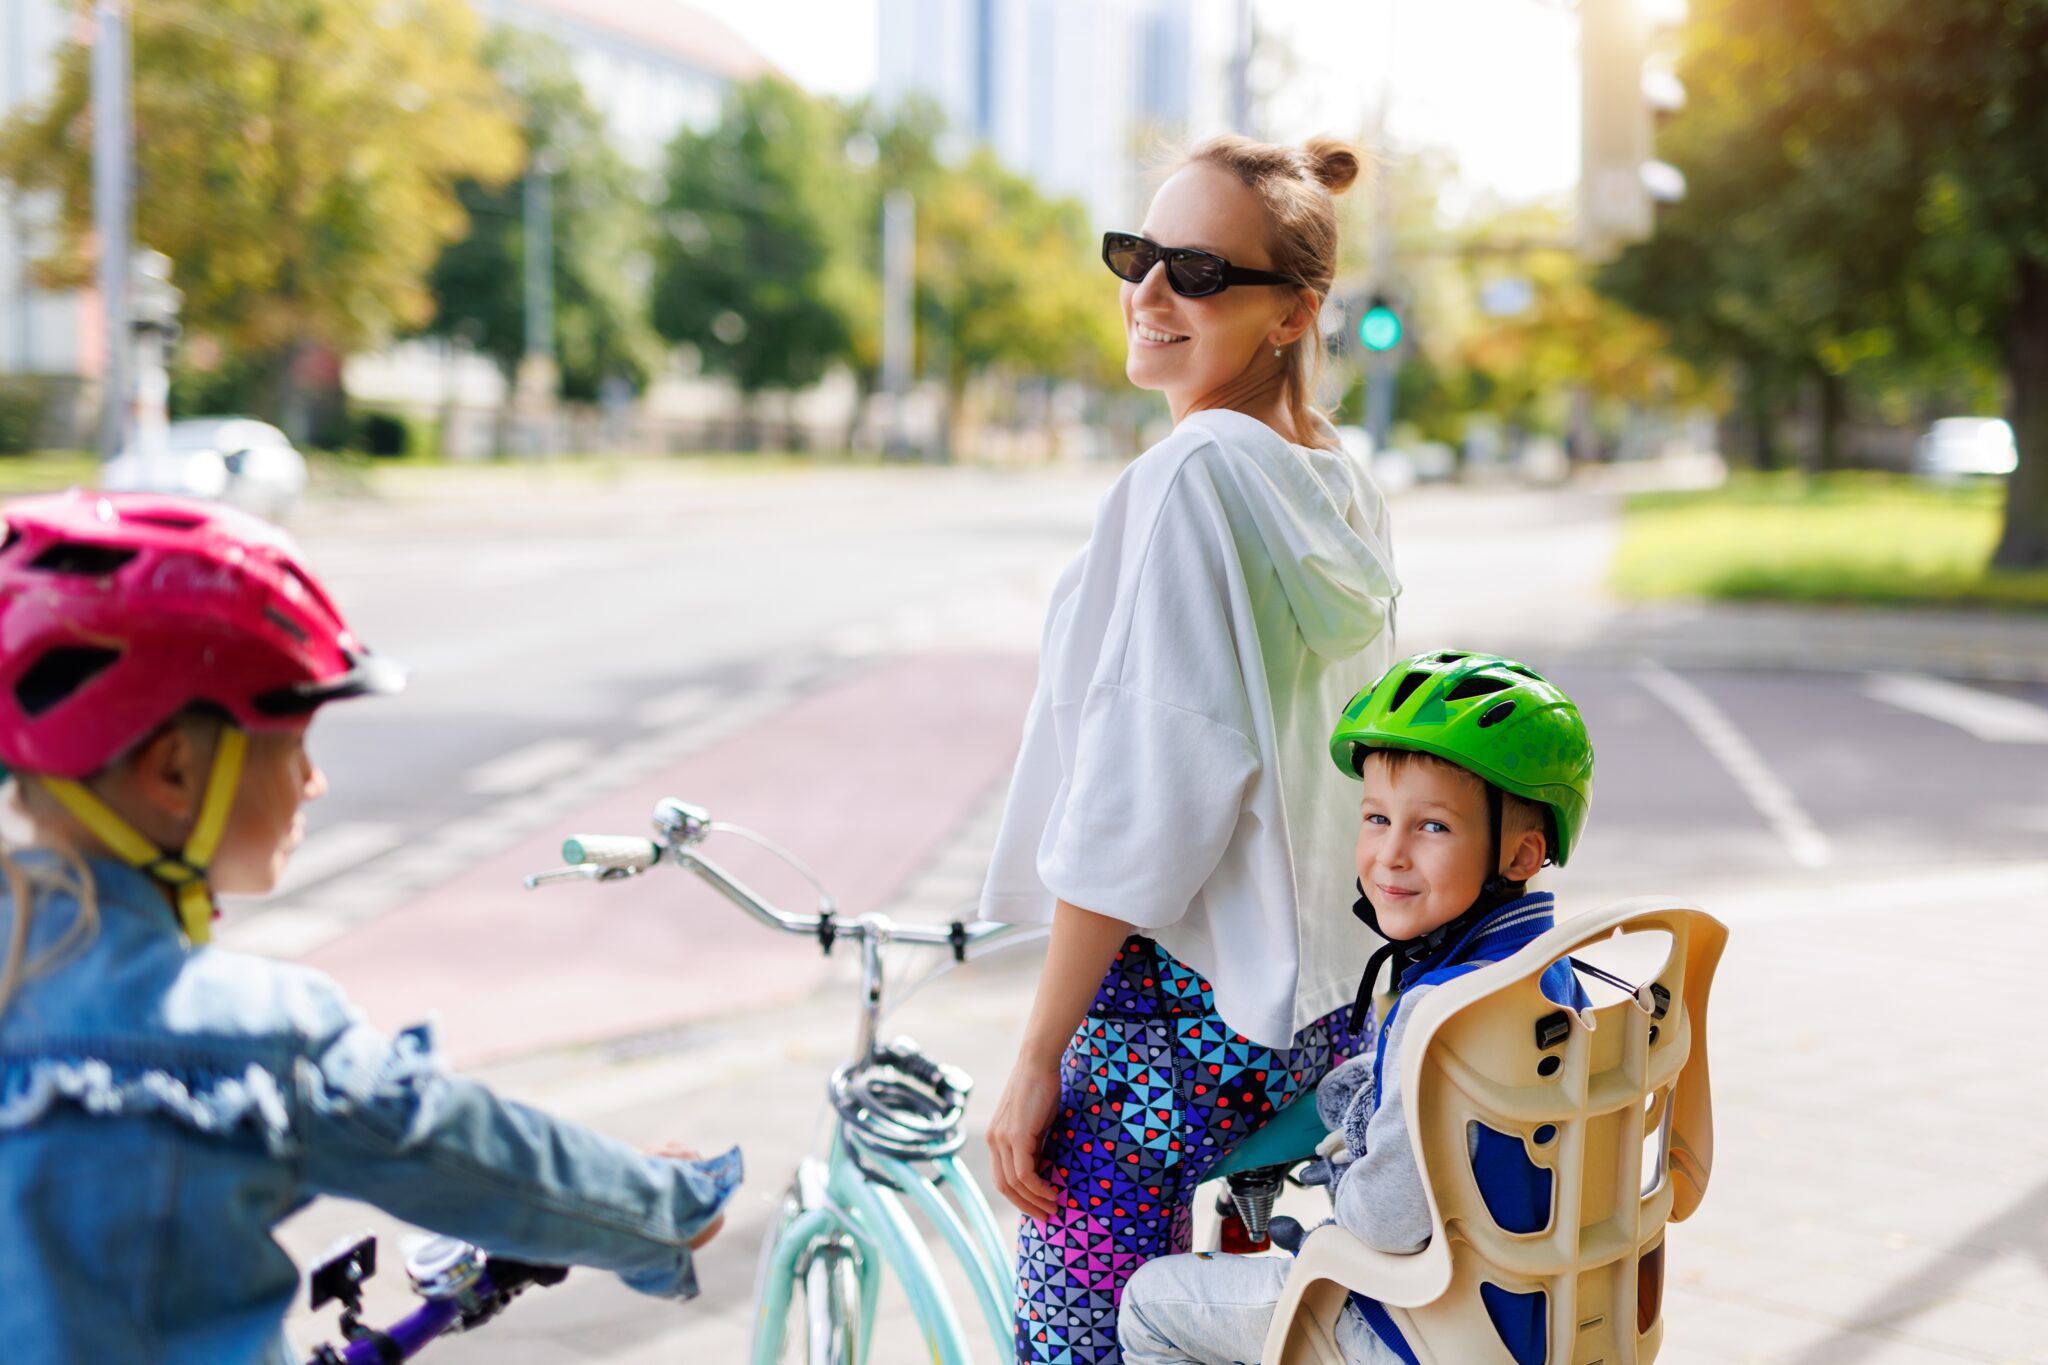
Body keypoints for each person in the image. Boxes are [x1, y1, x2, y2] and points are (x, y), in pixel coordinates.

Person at [0, 491, 740, 1363]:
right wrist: (666, 1207)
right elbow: (477, 1157)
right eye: (293, 743)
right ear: (175, 769)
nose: (312, 782)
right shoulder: (244, 1037)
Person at [978, 133, 1402, 1365]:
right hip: (1311, 1010)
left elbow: (1141, 802)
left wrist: (1037, 1055)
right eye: (1137, 254)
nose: (1148, 293)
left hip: (1169, 1018)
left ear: (1293, 313)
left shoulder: (1186, 477)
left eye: (1198, 272)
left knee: (1070, 1342)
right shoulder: (1337, 479)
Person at [1115, 650, 1597, 1365]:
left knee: (1152, 1301)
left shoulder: (1443, 1009)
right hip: (1548, 1315)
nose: (1390, 854)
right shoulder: (1556, 977)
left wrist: (1345, 1172)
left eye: (1432, 826)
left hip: (1427, 1332)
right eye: (1376, 817)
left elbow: (1381, 1223)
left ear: (1521, 854)